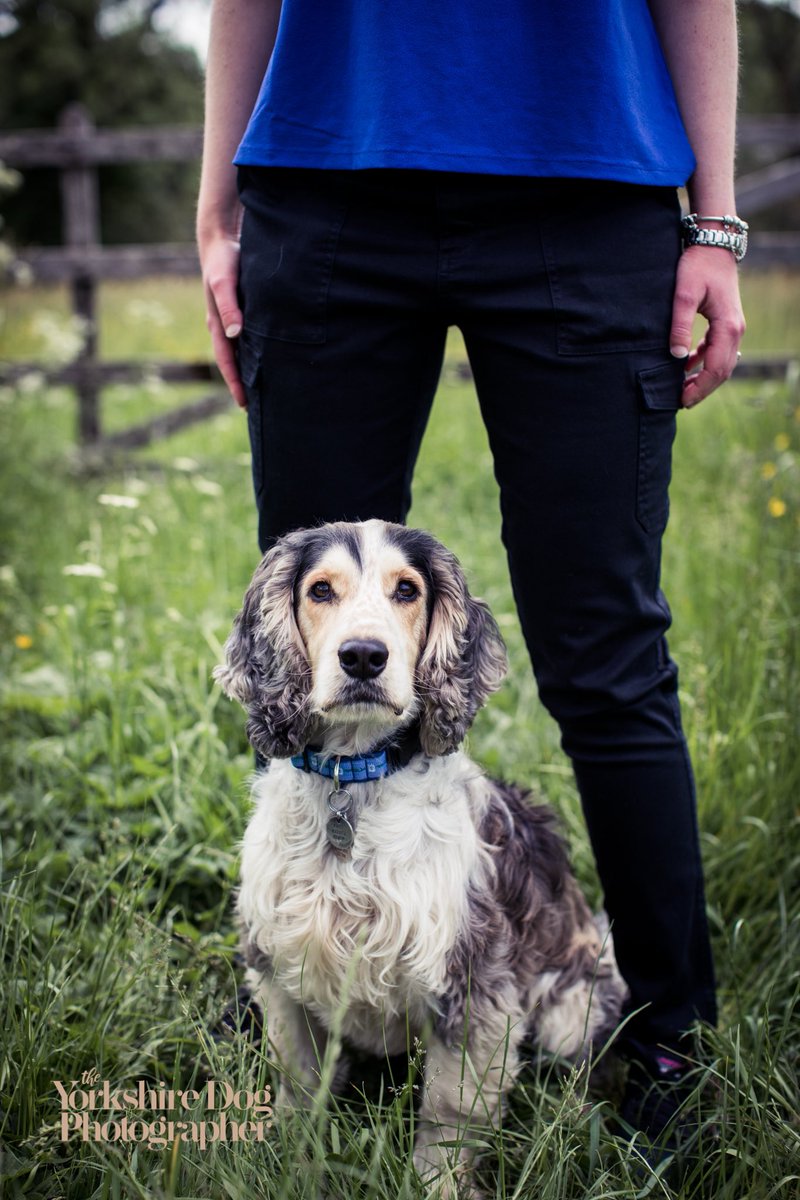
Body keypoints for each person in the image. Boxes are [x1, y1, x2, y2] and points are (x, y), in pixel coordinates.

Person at [197, 0, 746, 1160]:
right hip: (325, 175)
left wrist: (714, 221)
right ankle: (300, 971)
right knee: (303, 645)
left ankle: (662, 1035)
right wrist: (216, 206)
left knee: (606, 657)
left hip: (587, 181)